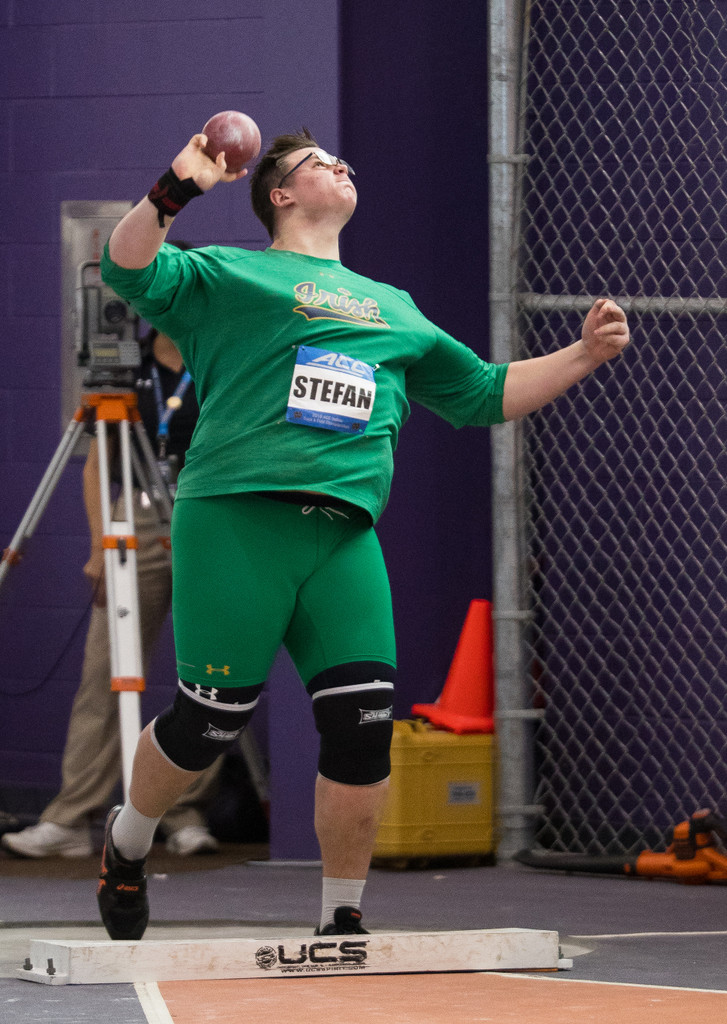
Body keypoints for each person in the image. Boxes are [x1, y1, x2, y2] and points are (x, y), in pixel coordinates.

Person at [95, 127, 630, 941]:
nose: (339, 164)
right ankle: (129, 841)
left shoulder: (394, 307)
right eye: (317, 163)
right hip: (236, 518)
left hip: (342, 537)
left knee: (362, 729)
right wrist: (175, 188)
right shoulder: (231, 275)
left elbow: (483, 393)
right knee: (208, 723)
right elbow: (125, 267)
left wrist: (582, 355)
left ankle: (340, 918)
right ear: (279, 194)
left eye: (341, 159)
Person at [2, 318, 220, 861]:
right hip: (139, 514)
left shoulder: (217, 356)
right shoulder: (125, 367)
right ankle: (71, 817)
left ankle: (183, 812)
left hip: (211, 513)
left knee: (213, 673)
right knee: (105, 668)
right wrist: (101, 546)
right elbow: (97, 464)